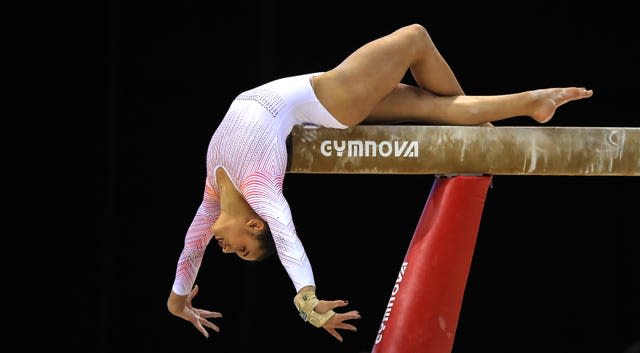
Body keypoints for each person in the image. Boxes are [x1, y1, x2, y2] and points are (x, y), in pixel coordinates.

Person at [166, 23, 593, 342]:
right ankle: (501, 121)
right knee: (415, 38)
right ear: (257, 225)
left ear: (253, 223)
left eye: (234, 250)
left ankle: (517, 110)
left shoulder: (212, 196)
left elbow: (192, 246)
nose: (225, 249)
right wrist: (308, 301)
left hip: (325, 102)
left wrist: (177, 300)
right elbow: (288, 237)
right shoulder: (260, 188)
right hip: (329, 97)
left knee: (432, 108)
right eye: (241, 250)